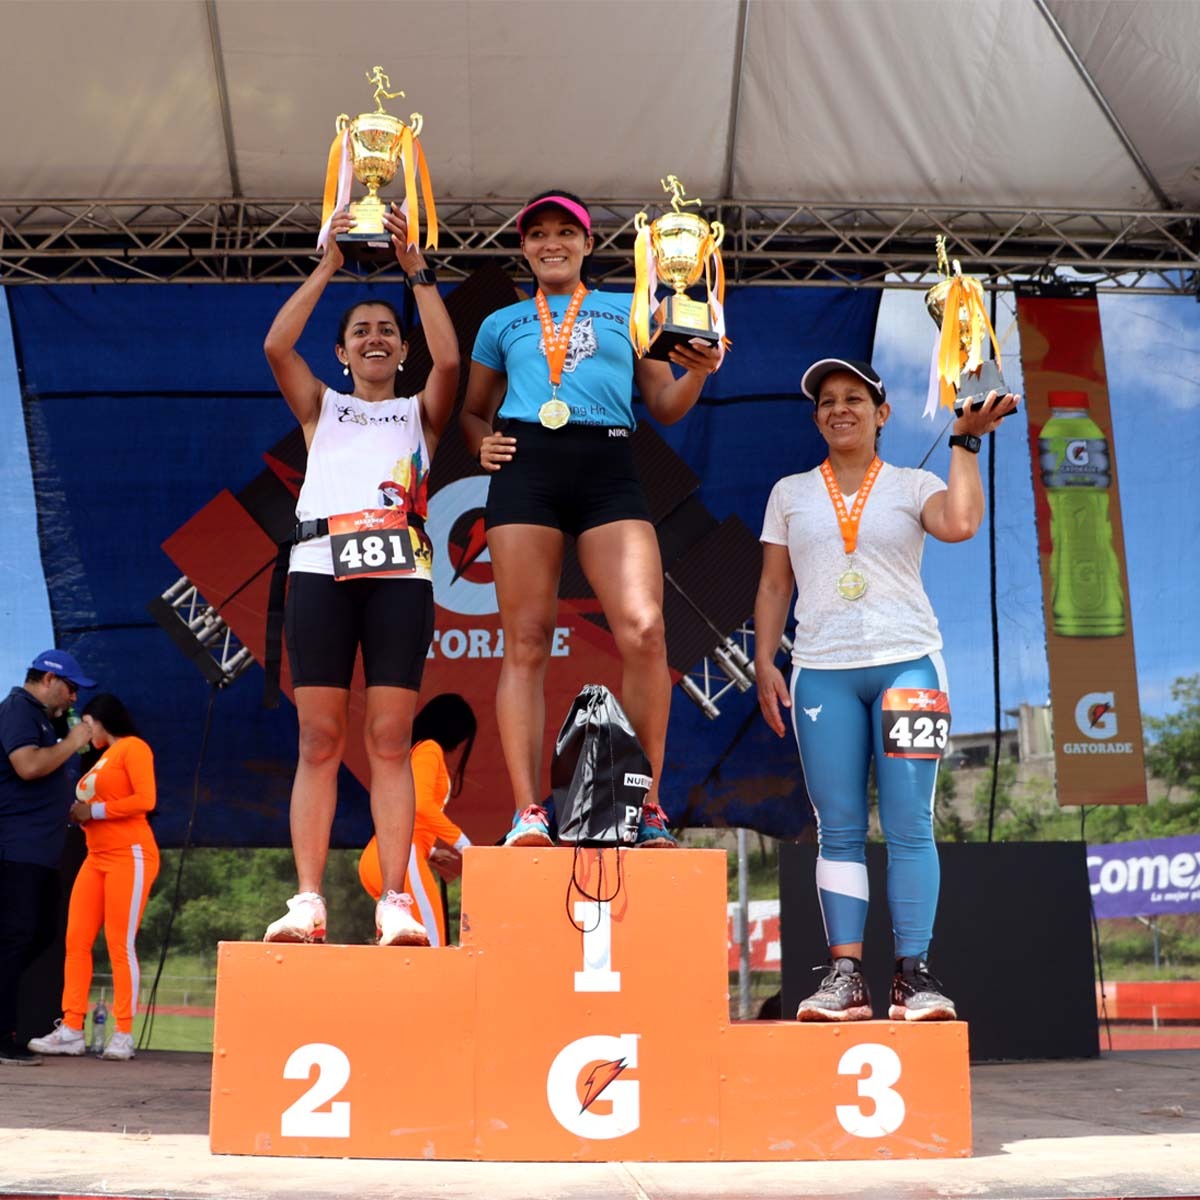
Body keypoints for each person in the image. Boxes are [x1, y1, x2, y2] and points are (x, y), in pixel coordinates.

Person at [754, 358, 1018, 1022]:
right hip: (822, 671)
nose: (839, 409)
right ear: (816, 418)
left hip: (909, 667)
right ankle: (845, 978)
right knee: (837, 828)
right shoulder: (789, 492)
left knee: (909, 824)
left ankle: (913, 976)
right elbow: (775, 585)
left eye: (854, 398)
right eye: (827, 402)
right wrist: (763, 660)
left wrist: (964, 441)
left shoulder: (913, 483)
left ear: (882, 413)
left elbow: (960, 523)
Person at [459, 189, 722, 848]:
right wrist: (479, 443)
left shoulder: (633, 310)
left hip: (608, 467)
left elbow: (664, 404)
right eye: (538, 234)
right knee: (526, 639)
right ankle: (528, 812)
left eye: (565, 232)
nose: (552, 243)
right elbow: (472, 412)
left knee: (646, 630)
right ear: (524, 247)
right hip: (527, 468)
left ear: (587, 243)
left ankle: (646, 805)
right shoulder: (501, 323)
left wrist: (699, 374)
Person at [262, 203, 459, 947]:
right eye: (360, 332)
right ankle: (308, 901)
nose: (374, 338)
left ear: (402, 349)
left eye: (386, 330)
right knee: (319, 738)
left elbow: (450, 364)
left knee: (389, 738)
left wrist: (417, 271)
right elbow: (277, 345)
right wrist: (327, 266)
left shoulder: (420, 412)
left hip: (400, 575)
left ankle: (396, 901)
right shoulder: (323, 406)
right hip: (320, 566)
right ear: (342, 352)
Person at [27, 694, 159, 1061]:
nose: (84, 732)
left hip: (130, 854)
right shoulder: (100, 759)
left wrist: (94, 811)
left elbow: (145, 800)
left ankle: (123, 1033)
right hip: (96, 856)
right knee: (76, 941)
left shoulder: (133, 747)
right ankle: (71, 1027)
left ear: (101, 719)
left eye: (86, 724)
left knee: (119, 943)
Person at [0, 649, 95, 1065]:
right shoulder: (19, 709)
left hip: (40, 851)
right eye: (70, 688)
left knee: (38, 934)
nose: (74, 697)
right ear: (48, 679)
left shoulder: (44, 719)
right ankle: (4, 1036)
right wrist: (73, 742)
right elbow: (27, 765)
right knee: (16, 939)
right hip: (16, 849)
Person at [357, 693, 476, 947]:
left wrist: (430, 850)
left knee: (409, 947)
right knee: (432, 944)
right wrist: (463, 843)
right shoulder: (430, 749)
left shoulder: (416, 751)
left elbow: (409, 808)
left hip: (383, 856)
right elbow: (420, 804)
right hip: (402, 857)